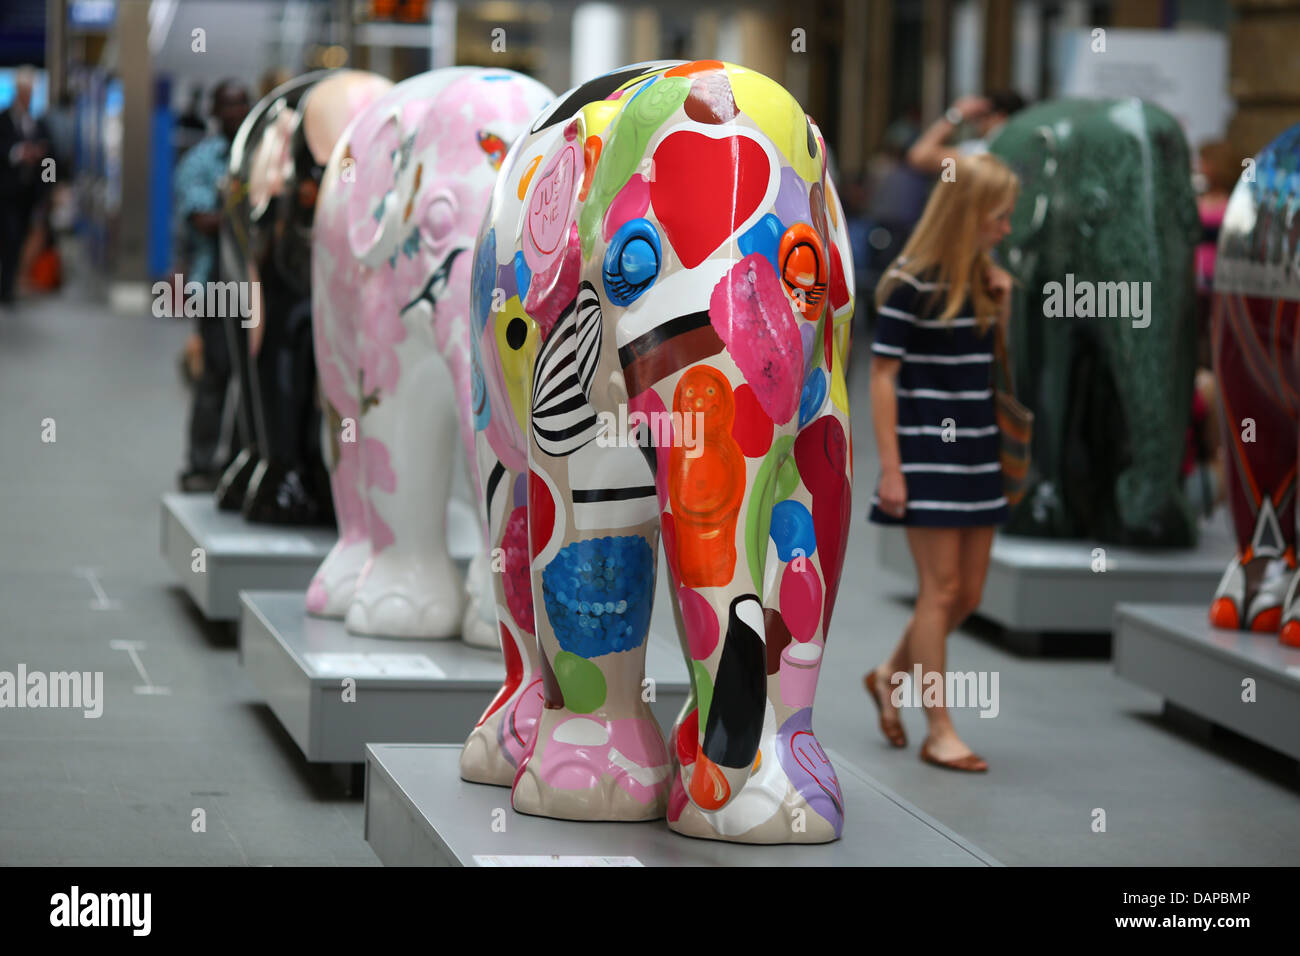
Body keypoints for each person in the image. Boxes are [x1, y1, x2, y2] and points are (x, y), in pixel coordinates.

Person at [863, 153, 1021, 773]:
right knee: (941, 590)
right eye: (999, 217)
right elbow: (882, 376)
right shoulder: (909, 280)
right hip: (927, 450)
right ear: (970, 214)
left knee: (968, 595)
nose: (1006, 228)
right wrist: (893, 469)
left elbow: (987, 366)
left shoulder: (982, 278)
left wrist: (1000, 306)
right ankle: (939, 728)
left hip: (977, 448)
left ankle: (886, 675)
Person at [175, 79, 251, 492]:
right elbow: (200, 218)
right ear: (214, 112)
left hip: (257, 287)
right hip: (217, 286)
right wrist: (246, 209)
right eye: (228, 106)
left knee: (251, 379)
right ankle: (200, 465)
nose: (237, 113)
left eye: (243, 104)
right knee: (216, 375)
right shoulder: (201, 161)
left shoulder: (260, 157)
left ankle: (238, 462)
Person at [0, 66, 52, 305]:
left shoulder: (37, 123)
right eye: (25, 92)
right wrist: (20, 153)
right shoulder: (4, 121)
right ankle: (6, 285)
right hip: (6, 192)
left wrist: (48, 186)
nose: (28, 97)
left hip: (27, 193)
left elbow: (51, 159)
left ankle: (9, 284)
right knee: (8, 236)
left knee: (18, 238)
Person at [906, 90, 1027, 177]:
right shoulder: (1030, 148)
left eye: (981, 116)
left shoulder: (981, 151)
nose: (976, 123)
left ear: (999, 117)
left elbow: (920, 156)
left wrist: (956, 114)